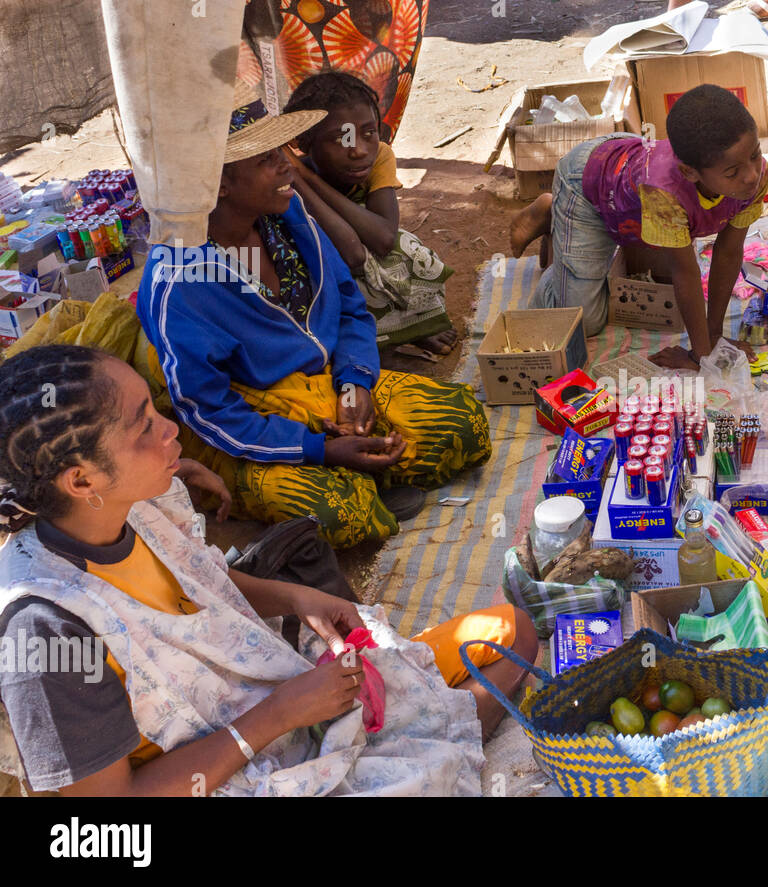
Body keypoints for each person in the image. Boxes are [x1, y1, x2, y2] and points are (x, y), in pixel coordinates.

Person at [0, 345, 537, 796]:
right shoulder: (47, 629)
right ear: (81, 480)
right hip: (228, 771)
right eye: (145, 425)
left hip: (282, 702)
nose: (171, 431)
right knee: (424, 752)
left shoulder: (135, 507)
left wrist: (298, 599)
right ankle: (432, 748)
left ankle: (428, 743)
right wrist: (275, 717)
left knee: (514, 631)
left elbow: (203, 585)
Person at [137, 85, 492, 548]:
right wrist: (319, 449)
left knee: (462, 422)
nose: (288, 166)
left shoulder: (287, 215)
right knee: (340, 513)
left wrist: (355, 384)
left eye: (281, 151)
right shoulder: (179, 284)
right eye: (266, 159)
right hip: (251, 419)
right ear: (216, 182)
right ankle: (351, 478)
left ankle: (365, 469)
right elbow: (210, 410)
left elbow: (348, 304)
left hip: (326, 385)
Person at [510, 84, 768, 371]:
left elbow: (729, 253)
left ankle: (561, 231)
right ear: (690, 172)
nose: (751, 176)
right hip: (586, 188)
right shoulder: (665, 193)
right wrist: (701, 356)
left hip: (630, 178)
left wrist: (715, 337)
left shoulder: (753, 175)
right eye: (732, 172)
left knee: (667, 285)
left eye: (755, 155)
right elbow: (684, 270)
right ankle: (552, 211)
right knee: (585, 322)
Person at [282, 72, 460, 360]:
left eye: (369, 133)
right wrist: (301, 180)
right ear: (304, 142)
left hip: (366, 253)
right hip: (325, 270)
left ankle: (411, 327)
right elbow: (351, 254)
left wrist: (308, 179)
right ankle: (372, 334)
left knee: (404, 250)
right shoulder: (286, 184)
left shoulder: (379, 156)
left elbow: (384, 237)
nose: (359, 151)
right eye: (342, 139)